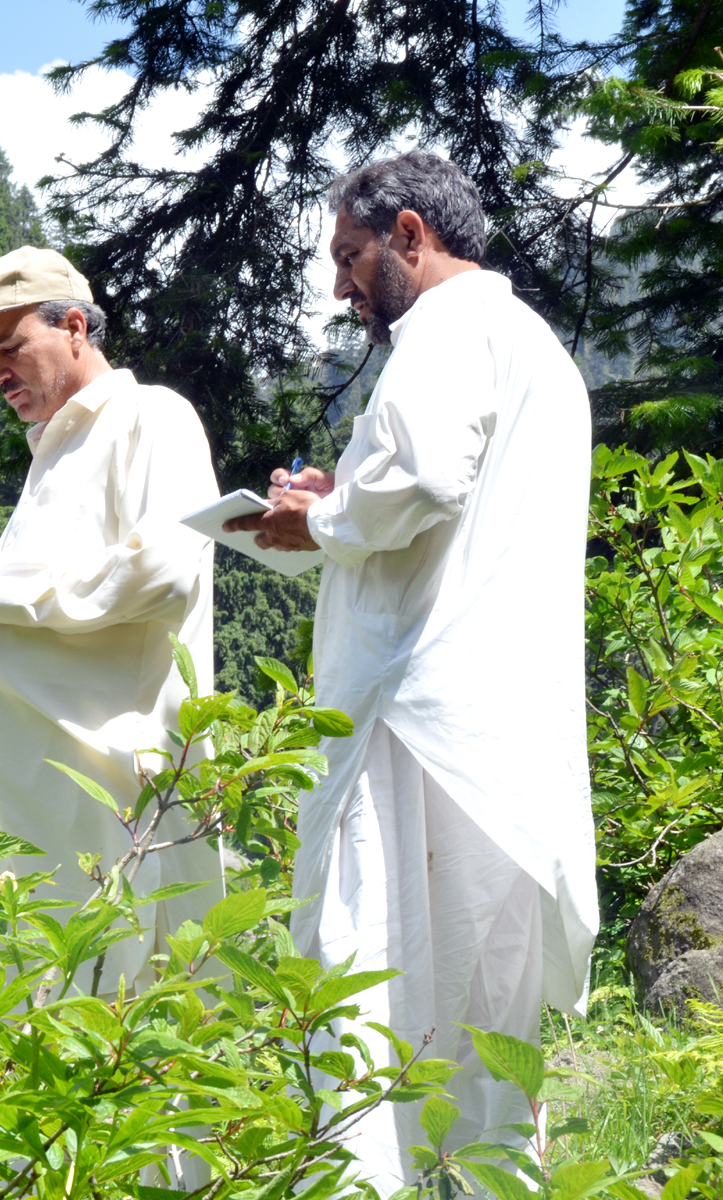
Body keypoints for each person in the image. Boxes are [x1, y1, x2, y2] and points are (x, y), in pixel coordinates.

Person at [223, 151, 597, 1190]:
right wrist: (341, 495)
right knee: (487, 1029)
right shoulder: (535, 350)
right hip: (500, 736)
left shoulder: (443, 328)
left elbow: (427, 480)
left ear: (410, 236)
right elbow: (450, 500)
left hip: (412, 716)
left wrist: (317, 519)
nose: (340, 284)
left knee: (365, 990)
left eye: (349, 256)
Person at [0, 246, 222, 997]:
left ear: (74, 327)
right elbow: (45, 619)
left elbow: (163, 572)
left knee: (107, 1028)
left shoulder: (149, 416)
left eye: (9, 348)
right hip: (24, 811)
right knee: (29, 1031)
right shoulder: (54, 453)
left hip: (105, 801)